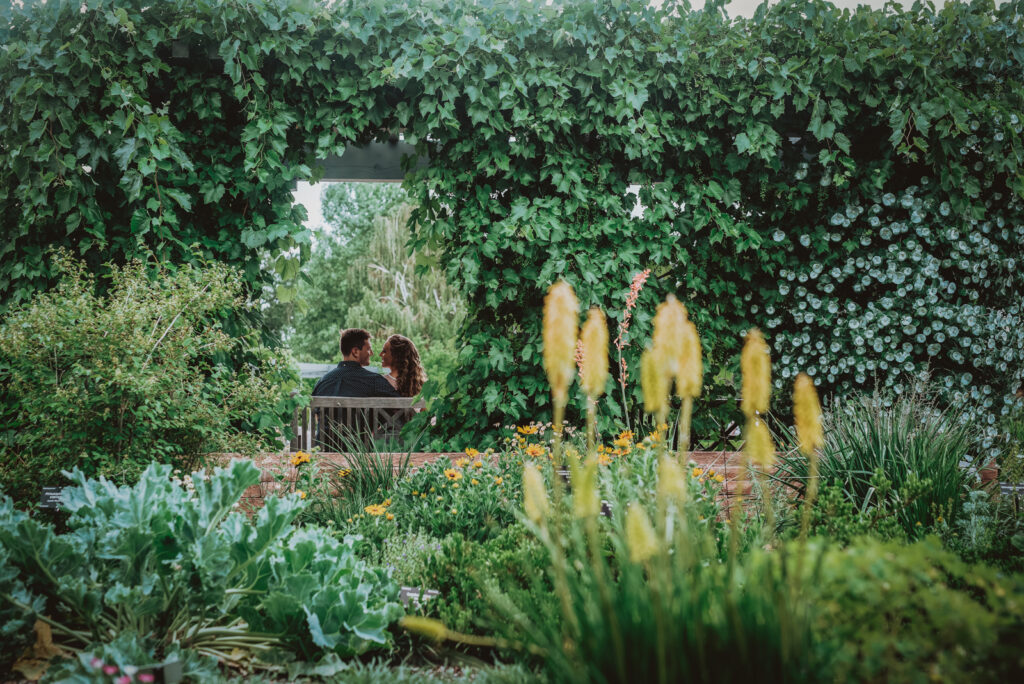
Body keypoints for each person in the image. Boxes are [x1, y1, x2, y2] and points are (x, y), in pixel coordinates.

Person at [312, 328, 400, 398]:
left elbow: (315, 414)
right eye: (368, 349)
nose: (372, 353)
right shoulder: (374, 381)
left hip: (327, 421)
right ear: (355, 352)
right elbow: (402, 408)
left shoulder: (322, 382)